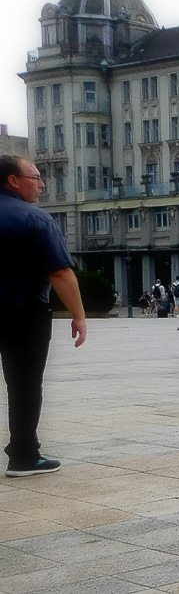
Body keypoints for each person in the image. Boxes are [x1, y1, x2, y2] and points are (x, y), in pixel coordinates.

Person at [0, 155, 87, 477]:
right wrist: (79, 315)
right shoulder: (34, 219)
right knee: (23, 384)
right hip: (23, 313)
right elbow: (60, 273)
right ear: (13, 181)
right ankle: (23, 456)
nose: (42, 184)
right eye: (35, 177)